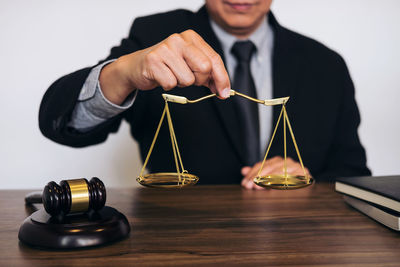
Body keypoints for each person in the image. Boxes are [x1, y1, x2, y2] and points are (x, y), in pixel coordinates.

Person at [39, 0, 371, 189]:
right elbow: (65, 124)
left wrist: (307, 182)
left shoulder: (326, 64)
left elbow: (354, 175)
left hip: (297, 247)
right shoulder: (155, 38)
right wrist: (125, 71)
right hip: (184, 243)